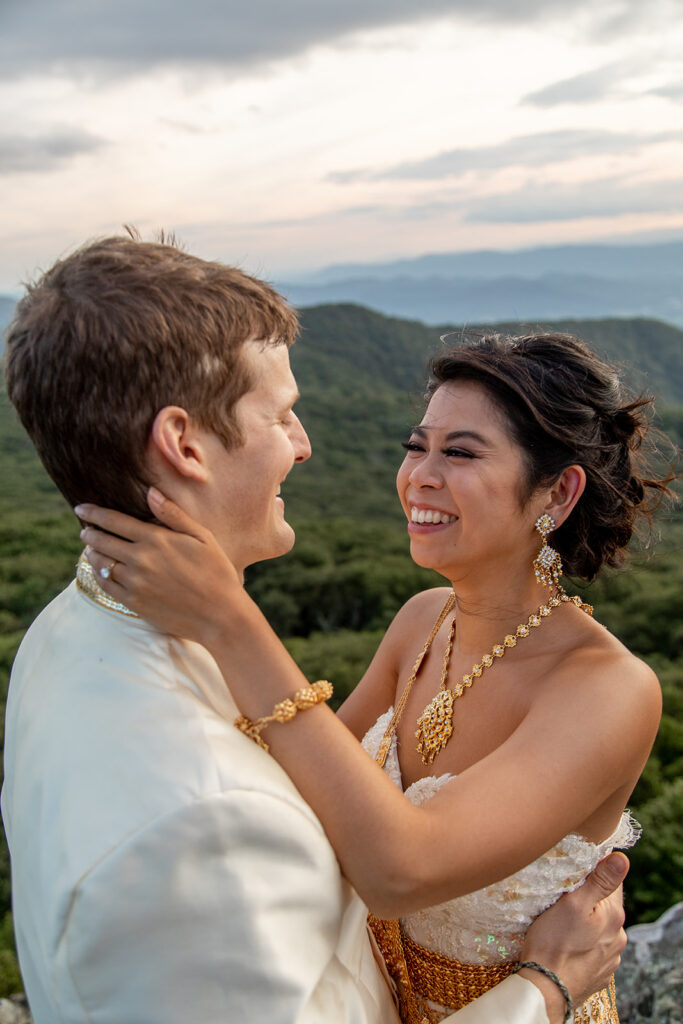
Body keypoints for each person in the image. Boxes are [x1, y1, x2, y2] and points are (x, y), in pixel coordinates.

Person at [2, 233, 627, 1024]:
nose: (304, 446)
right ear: (184, 445)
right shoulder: (210, 820)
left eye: (461, 452)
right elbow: (368, 845)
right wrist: (545, 986)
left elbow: (337, 795)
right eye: (283, 415)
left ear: (555, 494)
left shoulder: (63, 635)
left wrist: (231, 623)